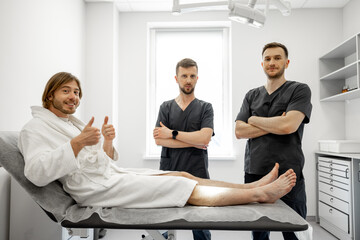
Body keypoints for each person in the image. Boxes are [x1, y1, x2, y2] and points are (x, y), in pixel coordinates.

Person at [18, 72, 297, 214]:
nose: (74, 97)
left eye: (77, 92)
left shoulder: (71, 124)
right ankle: (259, 195)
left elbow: (203, 139)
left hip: (109, 176)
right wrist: (78, 143)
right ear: (50, 94)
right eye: (66, 91)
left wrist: (106, 143)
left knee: (182, 175)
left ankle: (252, 185)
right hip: (93, 189)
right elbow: (36, 173)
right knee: (180, 186)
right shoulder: (35, 128)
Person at [235, 42, 312, 240]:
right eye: (267, 59)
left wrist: (253, 120)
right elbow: (239, 131)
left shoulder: (299, 90)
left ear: (286, 62)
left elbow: (288, 126)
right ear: (262, 64)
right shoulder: (251, 95)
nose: (272, 62)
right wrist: (277, 121)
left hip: (289, 173)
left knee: (294, 232)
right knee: (259, 232)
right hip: (255, 172)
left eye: (277, 58)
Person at [153, 58, 214, 240]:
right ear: (176, 78)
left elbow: (205, 137)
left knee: (201, 225)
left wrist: (171, 133)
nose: (188, 80)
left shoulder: (205, 108)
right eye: (184, 76)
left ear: (197, 78)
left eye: (192, 76)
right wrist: (195, 141)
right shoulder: (166, 107)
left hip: (197, 171)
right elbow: (158, 141)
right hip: (170, 171)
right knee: (167, 221)